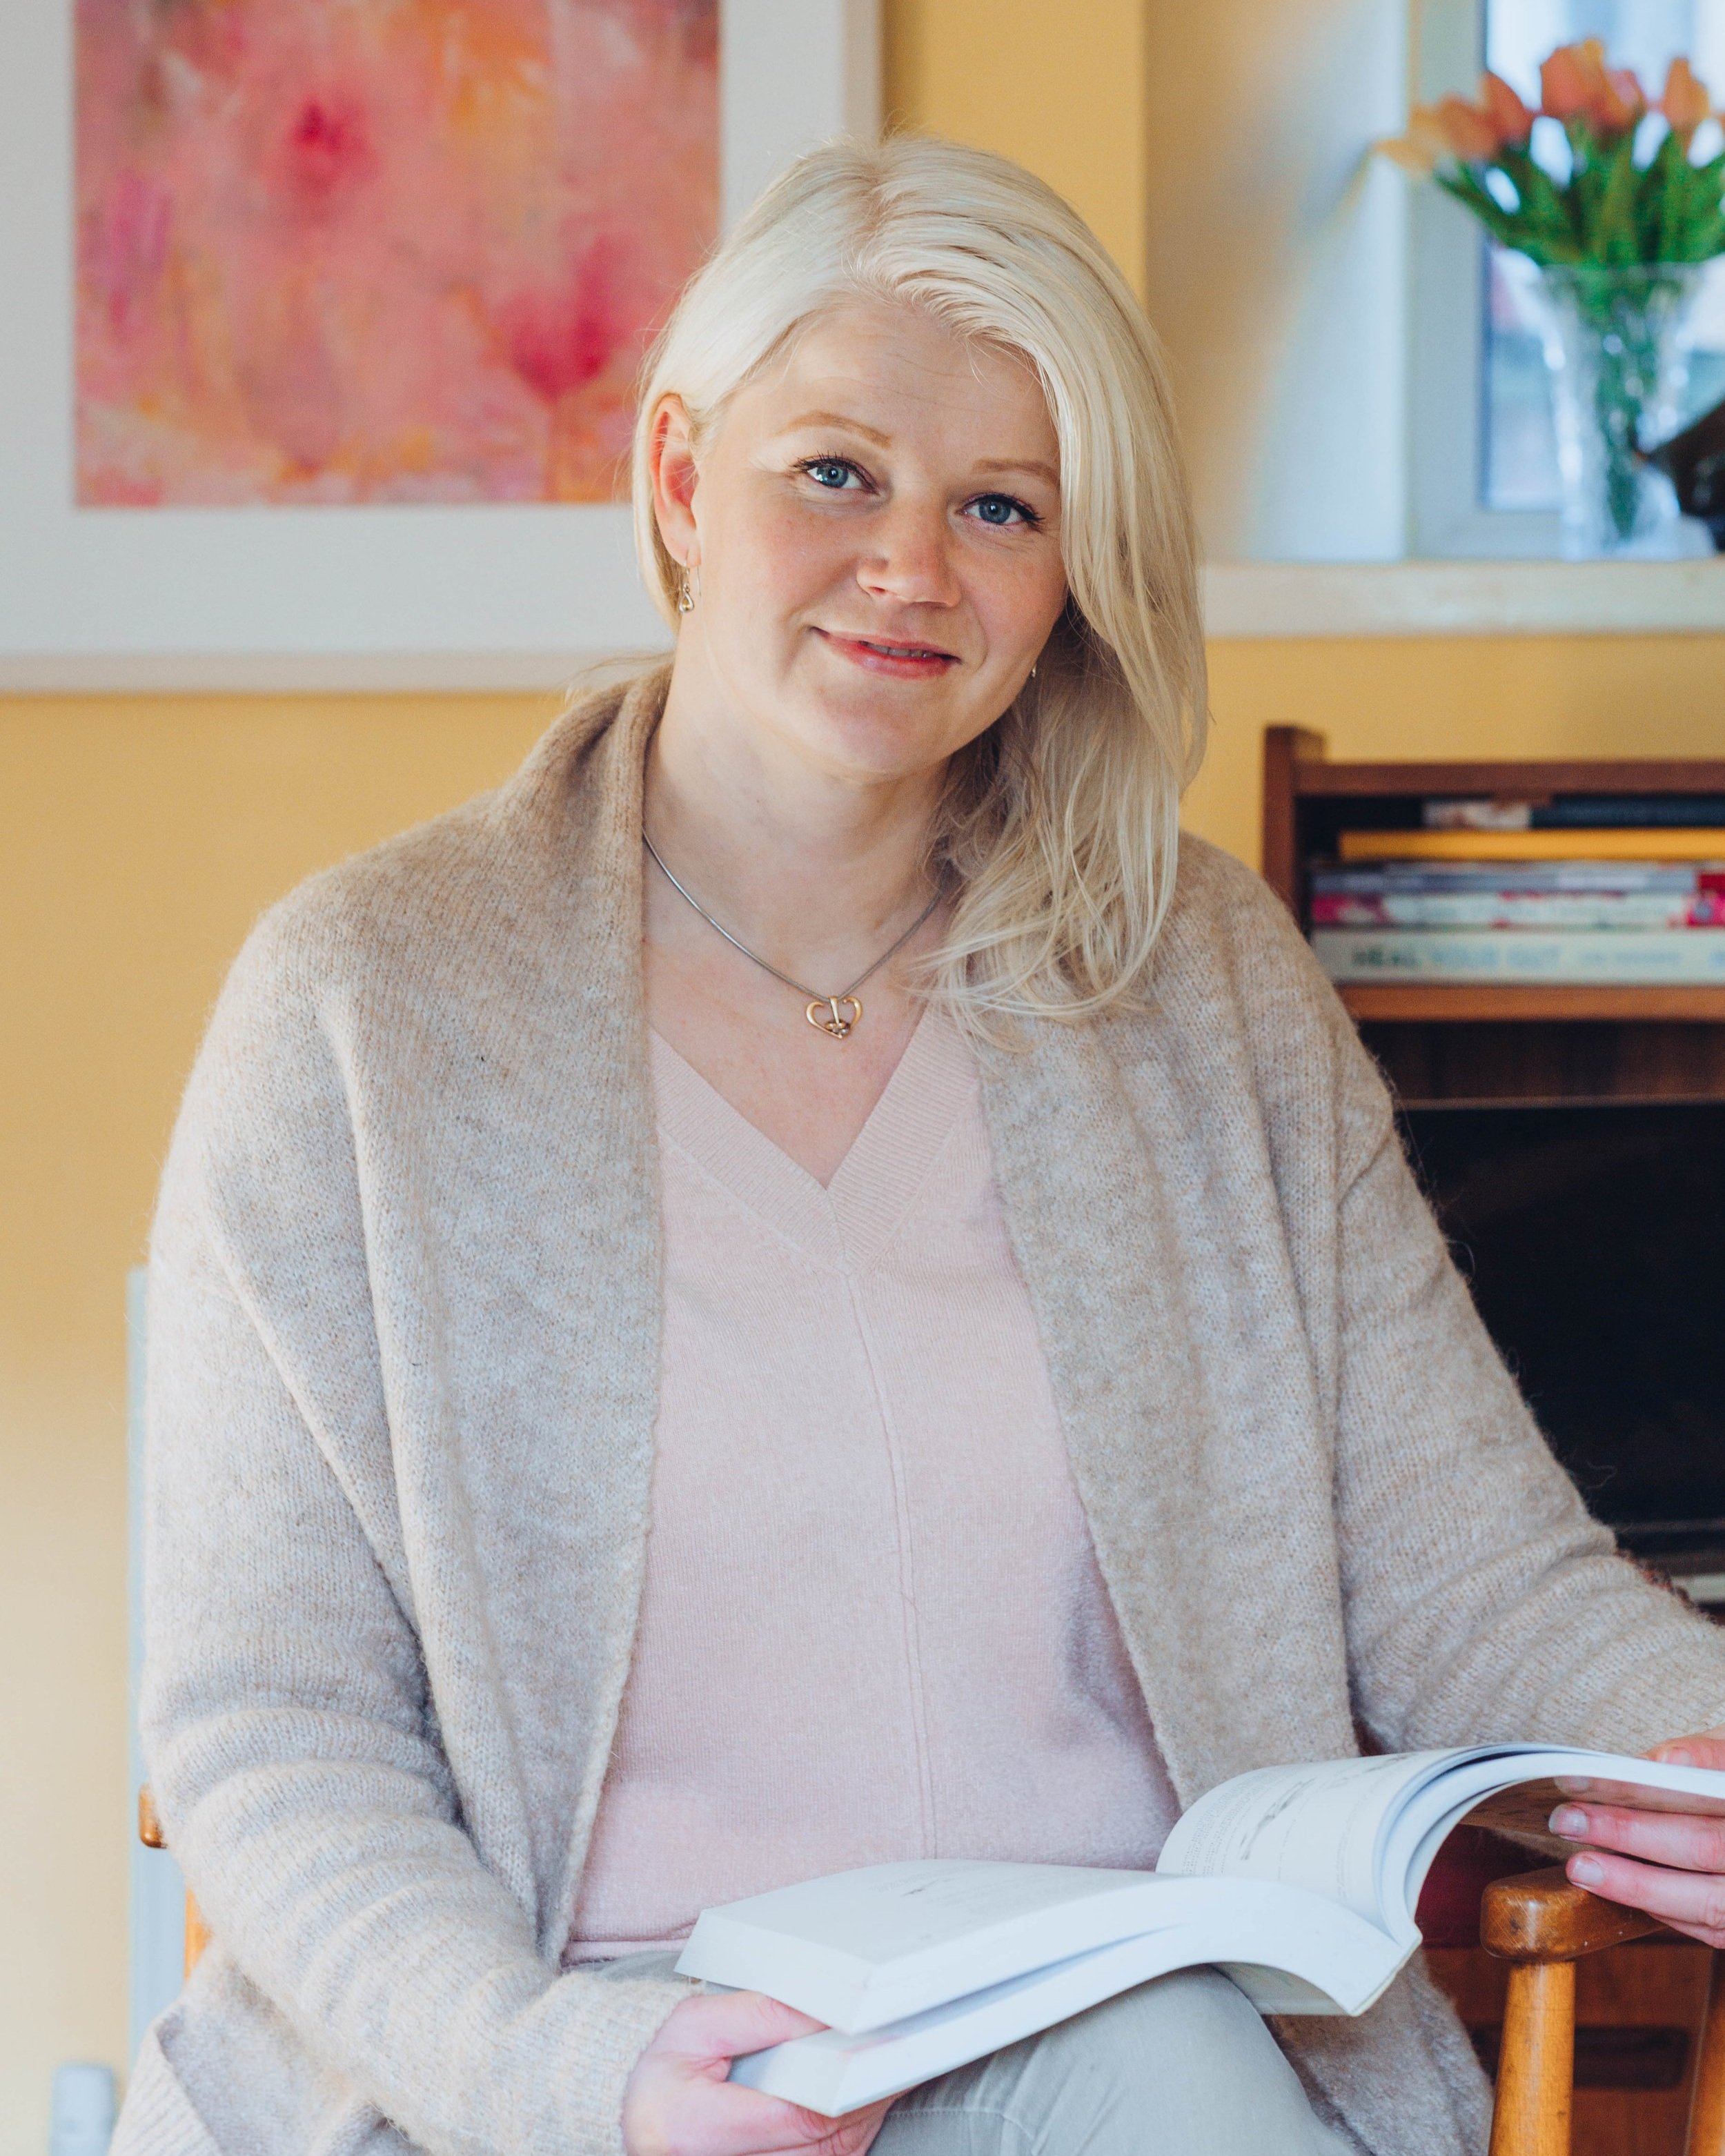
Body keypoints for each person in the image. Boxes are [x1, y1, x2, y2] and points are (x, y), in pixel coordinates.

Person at [116, 136, 1725, 2156]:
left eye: (999, 507)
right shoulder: (362, 1003)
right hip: (570, 2061)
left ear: (1070, 577)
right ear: (684, 479)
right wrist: (569, 2075)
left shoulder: (1199, 985)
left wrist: (1706, 1752)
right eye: (835, 475)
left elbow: (1465, 1571)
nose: (913, 568)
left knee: (1174, 2081)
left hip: (1112, 2024)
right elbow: (271, 1734)